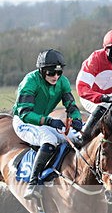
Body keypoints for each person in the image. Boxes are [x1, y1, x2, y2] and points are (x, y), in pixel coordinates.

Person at [12, 49, 83, 200]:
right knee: (49, 140)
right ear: (41, 70)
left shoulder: (62, 81)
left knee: (76, 137)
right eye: (51, 73)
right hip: (24, 122)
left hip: (43, 121)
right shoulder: (30, 81)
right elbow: (25, 113)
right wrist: (49, 121)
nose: (55, 77)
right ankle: (33, 183)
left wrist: (76, 119)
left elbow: (71, 105)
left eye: (59, 73)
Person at [74, 28, 112, 147]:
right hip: (90, 97)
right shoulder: (95, 59)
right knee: (103, 106)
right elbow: (82, 89)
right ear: (107, 50)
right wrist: (103, 98)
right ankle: (83, 137)